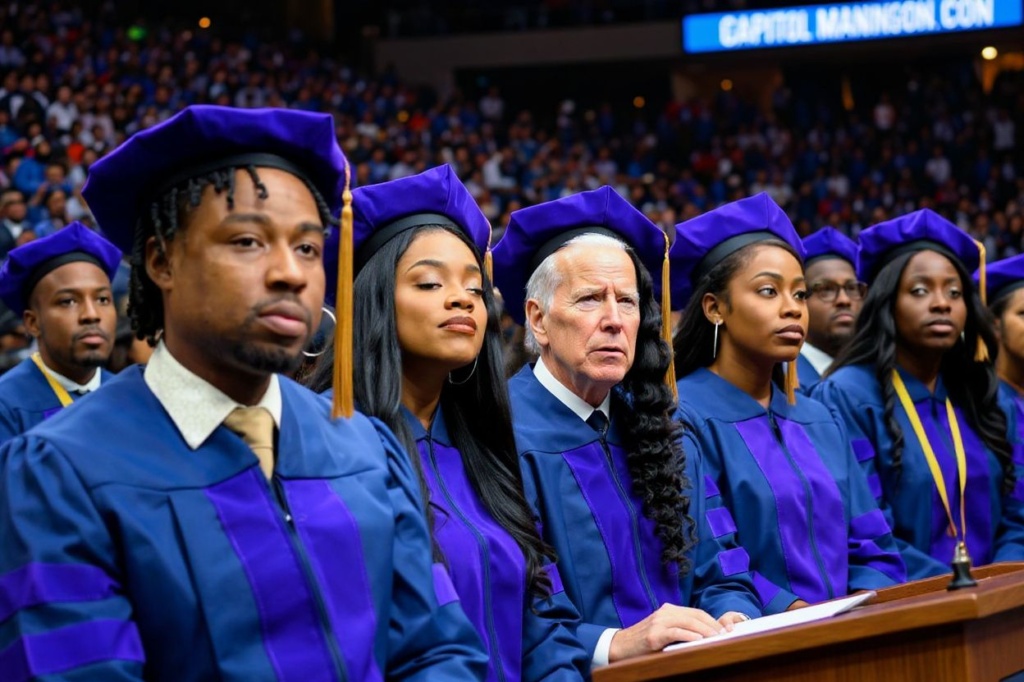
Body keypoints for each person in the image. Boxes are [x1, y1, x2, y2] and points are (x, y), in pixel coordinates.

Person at [0, 105, 487, 680]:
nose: (290, 273)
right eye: (250, 241)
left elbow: (439, 650)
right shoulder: (59, 473)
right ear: (161, 261)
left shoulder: (365, 447)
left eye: (307, 248)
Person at [307, 164, 589, 681]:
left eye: (475, 289)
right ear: (373, 299)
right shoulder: (328, 447)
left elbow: (540, 619)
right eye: (430, 282)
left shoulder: (482, 450)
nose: (462, 298)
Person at [494, 187, 762, 666]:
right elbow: (511, 610)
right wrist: (613, 645)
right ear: (538, 320)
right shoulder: (498, 437)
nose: (615, 321)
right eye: (591, 299)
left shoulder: (664, 430)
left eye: (629, 301)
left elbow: (722, 568)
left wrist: (731, 617)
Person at [670, 194, 906, 614]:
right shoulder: (684, 416)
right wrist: (795, 613)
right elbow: (715, 559)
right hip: (762, 640)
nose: (791, 309)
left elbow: (871, 541)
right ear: (714, 308)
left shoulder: (820, 419)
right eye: (768, 291)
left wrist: (865, 605)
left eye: (799, 295)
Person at [813, 209, 1024, 579]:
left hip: (1000, 601)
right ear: (886, 303)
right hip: (906, 604)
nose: (942, 303)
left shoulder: (983, 394)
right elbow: (867, 529)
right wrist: (954, 588)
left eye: (954, 292)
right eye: (920, 290)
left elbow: (1018, 511)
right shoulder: (846, 398)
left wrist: (1000, 578)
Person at [0, 221, 118, 442]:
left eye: (102, 299)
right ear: (32, 323)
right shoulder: (7, 407)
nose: (92, 314)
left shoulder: (131, 396)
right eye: (68, 301)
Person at [796, 227, 865, 392]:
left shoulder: (875, 379)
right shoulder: (777, 382)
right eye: (826, 289)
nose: (844, 300)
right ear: (799, 299)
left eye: (852, 288)